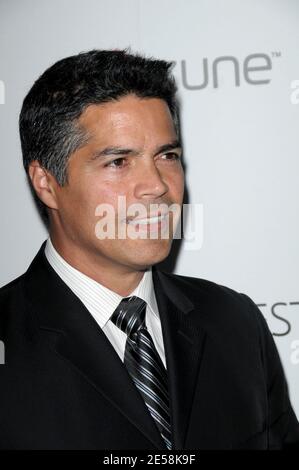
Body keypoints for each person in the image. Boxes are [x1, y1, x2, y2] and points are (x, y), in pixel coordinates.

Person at [0, 49, 298, 450]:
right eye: (120, 161)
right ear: (46, 182)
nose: (157, 185)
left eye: (167, 156)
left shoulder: (236, 323)